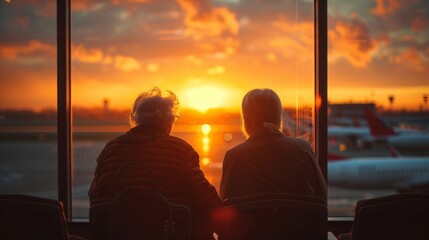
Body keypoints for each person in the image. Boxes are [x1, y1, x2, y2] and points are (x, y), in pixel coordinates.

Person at [89, 87, 221, 240]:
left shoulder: (111, 149)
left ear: (136, 119)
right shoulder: (181, 150)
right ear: (169, 122)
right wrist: (225, 221)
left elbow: (95, 194)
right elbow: (204, 196)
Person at [219, 88, 327, 201]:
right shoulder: (304, 150)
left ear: (246, 121)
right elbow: (322, 198)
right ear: (279, 119)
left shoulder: (234, 157)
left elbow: (226, 203)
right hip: (296, 219)